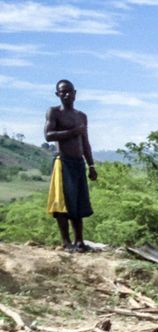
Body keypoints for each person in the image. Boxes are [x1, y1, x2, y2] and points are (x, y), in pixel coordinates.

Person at [44, 79, 97, 252]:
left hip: (78, 163)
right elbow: (48, 135)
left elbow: (86, 142)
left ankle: (80, 241)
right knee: (62, 203)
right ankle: (66, 242)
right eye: (62, 91)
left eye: (69, 91)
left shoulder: (81, 116)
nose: (66, 94)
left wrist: (91, 165)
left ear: (75, 93)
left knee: (78, 202)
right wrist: (72, 132)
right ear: (57, 94)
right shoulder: (54, 113)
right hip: (63, 162)